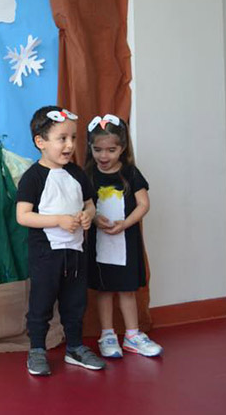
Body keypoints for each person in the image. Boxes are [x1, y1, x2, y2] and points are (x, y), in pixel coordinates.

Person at [15, 106, 105, 376]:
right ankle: (37, 350)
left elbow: (90, 204)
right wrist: (58, 220)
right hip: (46, 257)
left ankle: (75, 347)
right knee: (41, 304)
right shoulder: (33, 178)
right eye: (62, 138)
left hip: (75, 254)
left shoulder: (77, 174)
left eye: (73, 138)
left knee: (75, 303)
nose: (69, 145)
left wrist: (88, 216)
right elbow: (23, 216)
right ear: (40, 142)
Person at [85, 114, 162, 358]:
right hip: (100, 244)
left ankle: (132, 335)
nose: (104, 156)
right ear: (90, 147)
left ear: (122, 148)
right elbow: (84, 205)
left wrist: (126, 223)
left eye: (111, 150)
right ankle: (107, 335)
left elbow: (143, 204)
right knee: (104, 290)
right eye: (98, 150)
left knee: (127, 289)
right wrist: (95, 218)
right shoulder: (88, 174)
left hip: (126, 244)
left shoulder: (130, 173)